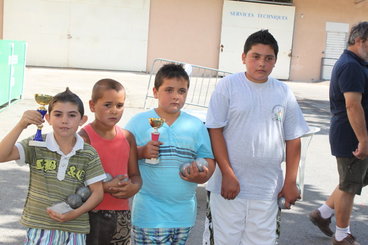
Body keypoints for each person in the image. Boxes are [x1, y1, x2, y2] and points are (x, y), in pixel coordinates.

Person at [204, 29, 309, 245]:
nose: (262, 63)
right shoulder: (228, 86)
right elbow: (215, 131)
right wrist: (227, 173)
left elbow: (293, 139)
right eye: (256, 57)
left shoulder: (283, 92)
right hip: (228, 187)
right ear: (244, 58)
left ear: (275, 62)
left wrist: (290, 181)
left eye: (268, 58)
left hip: (267, 189)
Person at [0, 88, 105, 244]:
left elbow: (97, 193)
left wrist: (75, 213)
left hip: (75, 229)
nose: (64, 120)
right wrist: (21, 124)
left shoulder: (88, 153)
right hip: (39, 226)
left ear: (82, 120)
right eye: (58, 114)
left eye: (71, 115)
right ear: (48, 118)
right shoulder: (36, 144)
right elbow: (2, 155)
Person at [125, 63, 215, 245]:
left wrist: (202, 173)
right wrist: (141, 152)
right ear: (155, 91)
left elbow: (209, 159)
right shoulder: (138, 122)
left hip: (183, 216)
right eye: (169, 90)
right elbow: (121, 157)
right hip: (149, 214)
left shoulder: (195, 126)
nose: (176, 96)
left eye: (182, 91)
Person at [309, 21, 368, 245]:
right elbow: (353, 105)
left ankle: (322, 213)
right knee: (349, 187)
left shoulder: (359, 63)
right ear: (359, 40)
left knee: (352, 181)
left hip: (356, 134)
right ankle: (342, 235)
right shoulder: (351, 66)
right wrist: (363, 140)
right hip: (351, 135)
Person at [79, 78, 142, 245]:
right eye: (107, 105)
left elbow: (135, 175)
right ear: (92, 105)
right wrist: (104, 188)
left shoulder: (128, 138)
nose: (114, 111)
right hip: (89, 213)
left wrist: (133, 187)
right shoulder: (83, 139)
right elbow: (74, 183)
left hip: (121, 214)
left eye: (119, 105)